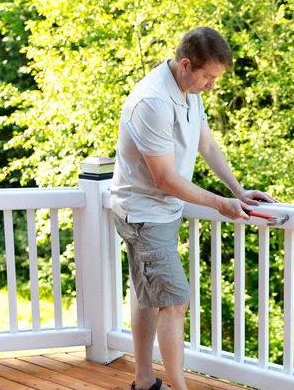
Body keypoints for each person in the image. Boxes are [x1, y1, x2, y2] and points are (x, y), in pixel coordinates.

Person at [110, 26, 276, 390]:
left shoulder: (189, 91)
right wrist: (221, 204)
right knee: (175, 302)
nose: (212, 86)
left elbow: (207, 145)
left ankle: (142, 382)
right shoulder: (153, 101)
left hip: (162, 212)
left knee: (147, 295)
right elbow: (165, 179)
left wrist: (239, 190)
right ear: (186, 65)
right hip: (144, 215)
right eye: (209, 77)